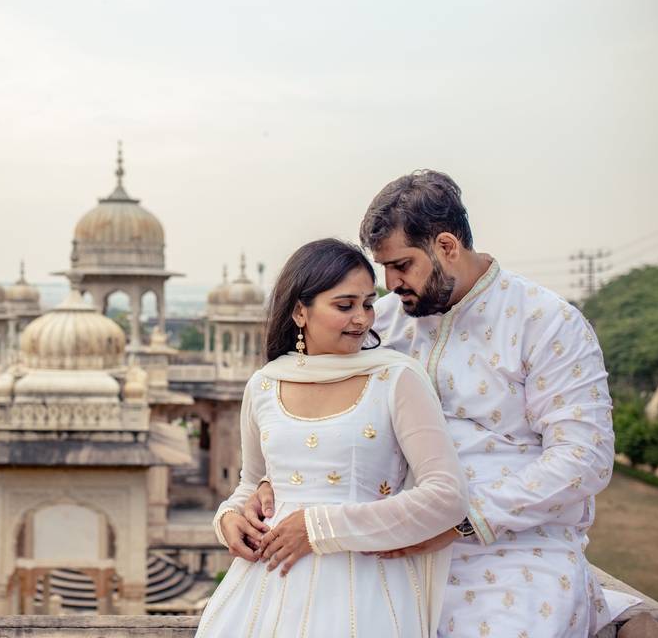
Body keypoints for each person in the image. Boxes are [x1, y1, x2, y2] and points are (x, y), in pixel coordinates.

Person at [245, 170, 632, 636]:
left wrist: (464, 524)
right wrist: (272, 479)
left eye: (401, 265)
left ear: (446, 246)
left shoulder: (546, 322)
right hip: (381, 538)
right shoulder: (381, 322)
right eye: (382, 268)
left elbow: (583, 460)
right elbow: (318, 402)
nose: (388, 283)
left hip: (512, 550)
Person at [196, 239, 468, 638]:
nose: (361, 319)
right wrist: (230, 519)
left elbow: (447, 496)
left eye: (368, 303)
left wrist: (319, 527)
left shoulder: (396, 379)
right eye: (345, 306)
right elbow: (252, 483)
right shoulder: (266, 385)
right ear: (299, 311)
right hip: (265, 594)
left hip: (363, 589)